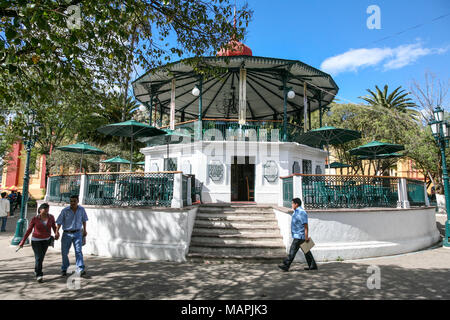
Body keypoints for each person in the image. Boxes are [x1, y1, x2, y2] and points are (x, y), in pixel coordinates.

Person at [18, 203, 58, 283]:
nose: (47, 210)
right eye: (45, 208)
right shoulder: (35, 218)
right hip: (36, 240)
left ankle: (36, 270)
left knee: (41, 257)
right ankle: (39, 275)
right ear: (40, 210)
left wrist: (56, 233)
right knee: (39, 257)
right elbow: (29, 230)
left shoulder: (51, 217)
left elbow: (54, 226)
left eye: (48, 208)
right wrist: (23, 241)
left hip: (46, 240)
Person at [278, 197, 318, 272]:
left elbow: (306, 226)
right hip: (298, 235)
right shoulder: (295, 211)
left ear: (296, 204)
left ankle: (286, 265)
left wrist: (306, 237)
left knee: (292, 251)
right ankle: (312, 265)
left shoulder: (302, 212)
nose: (291, 205)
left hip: (300, 236)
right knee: (306, 251)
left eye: (292, 203)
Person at [55, 195, 88, 277]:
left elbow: (84, 220)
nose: (72, 203)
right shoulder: (65, 211)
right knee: (64, 252)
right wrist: (56, 232)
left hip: (78, 233)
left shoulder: (81, 210)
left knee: (78, 251)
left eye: (74, 201)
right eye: (71, 201)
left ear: (78, 201)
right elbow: (59, 222)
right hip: (67, 234)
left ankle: (80, 268)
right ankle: (64, 268)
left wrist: (85, 230)